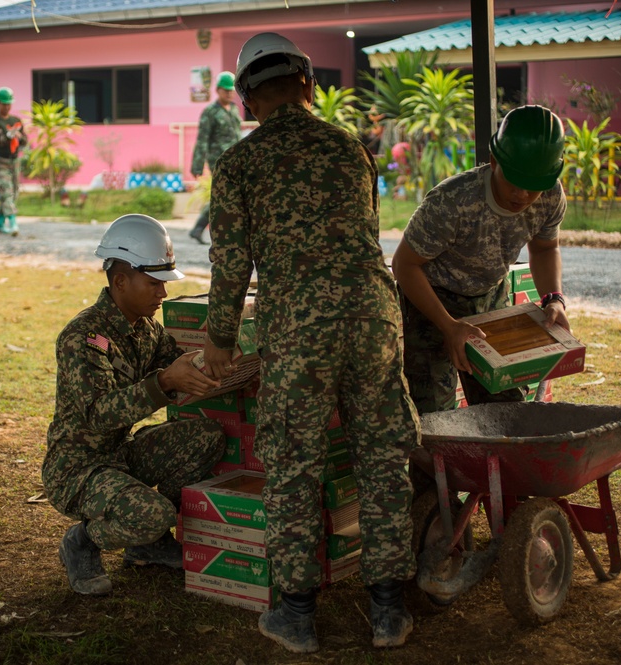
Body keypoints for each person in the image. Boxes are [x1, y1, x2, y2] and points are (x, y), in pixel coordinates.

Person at [201, 32, 420, 653]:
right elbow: (365, 236)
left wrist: (219, 339)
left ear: (246, 100)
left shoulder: (240, 164)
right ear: (307, 83)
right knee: (382, 458)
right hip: (375, 319)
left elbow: (231, 264)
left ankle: (295, 613)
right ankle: (387, 612)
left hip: (299, 329)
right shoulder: (352, 148)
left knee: (294, 461)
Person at [43, 214, 226, 596]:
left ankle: (146, 541)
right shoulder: (84, 337)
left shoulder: (146, 329)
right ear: (121, 281)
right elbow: (99, 413)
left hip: (119, 456)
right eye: (154, 283)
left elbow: (177, 362)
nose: (162, 294)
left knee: (207, 437)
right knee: (154, 513)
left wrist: (218, 362)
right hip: (77, 468)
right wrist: (164, 382)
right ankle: (83, 541)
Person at [391, 104, 571, 414]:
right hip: (432, 300)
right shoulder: (453, 200)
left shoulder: (551, 195)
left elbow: (544, 249)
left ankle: (496, 464)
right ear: (493, 161)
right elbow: (404, 265)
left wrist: (553, 298)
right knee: (435, 415)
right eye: (514, 182)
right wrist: (449, 326)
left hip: (490, 298)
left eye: (534, 188)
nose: (523, 196)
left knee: (505, 404)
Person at [188, 71, 242, 244]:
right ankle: (204, 229)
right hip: (219, 161)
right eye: (226, 90)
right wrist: (197, 165)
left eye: (231, 90)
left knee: (225, 195)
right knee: (224, 194)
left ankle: (199, 229)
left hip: (236, 160)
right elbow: (202, 139)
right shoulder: (210, 112)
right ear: (218, 90)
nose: (229, 93)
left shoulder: (234, 109)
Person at [0, 87, 28, 236]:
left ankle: (0, 222)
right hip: (1, 161)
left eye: (9, 103)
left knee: (13, 192)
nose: (7, 106)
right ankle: (12, 222)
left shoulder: (16, 121)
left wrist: (18, 136)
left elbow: (24, 141)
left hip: (14, 160)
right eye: (4, 104)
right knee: (6, 190)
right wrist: (8, 136)